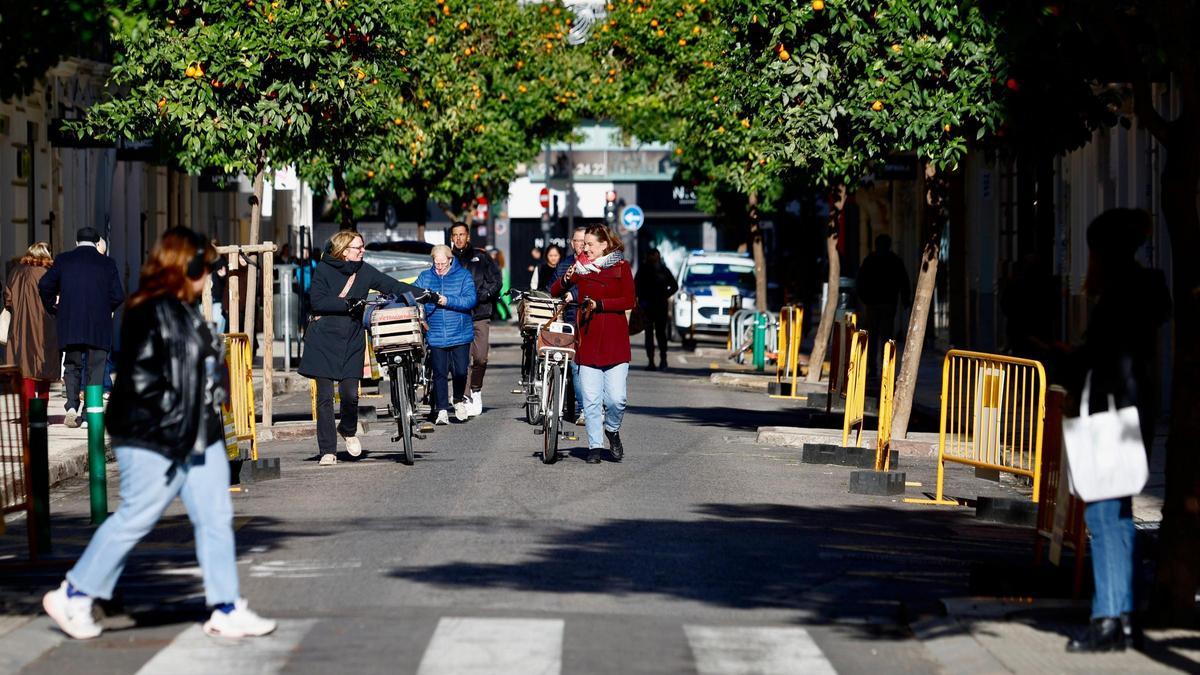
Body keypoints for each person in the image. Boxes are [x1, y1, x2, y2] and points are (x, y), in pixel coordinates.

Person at [42, 227, 276, 641]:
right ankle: (73, 594)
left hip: (198, 432)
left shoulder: (183, 310)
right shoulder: (148, 309)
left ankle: (226, 606)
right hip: (157, 435)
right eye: (205, 267)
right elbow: (148, 380)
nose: (211, 275)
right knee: (138, 515)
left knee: (216, 517)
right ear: (184, 266)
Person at [1064, 209, 1170, 654]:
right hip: (1135, 413)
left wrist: (1065, 359)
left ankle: (1107, 617)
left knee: (1104, 517)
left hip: (1110, 416)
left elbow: (1101, 358)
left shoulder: (1117, 296)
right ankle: (1124, 616)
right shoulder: (1145, 290)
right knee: (1120, 515)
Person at [298, 230, 427, 466]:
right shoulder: (324, 269)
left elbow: (391, 284)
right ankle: (328, 450)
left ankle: (347, 429)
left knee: (350, 395)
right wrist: (348, 304)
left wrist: (425, 295)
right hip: (323, 338)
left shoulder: (364, 270)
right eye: (359, 247)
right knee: (324, 398)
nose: (363, 250)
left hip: (352, 338)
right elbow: (317, 301)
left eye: (362, 246)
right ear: (344, 251)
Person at [551, 225, 636, 464]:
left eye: (589, 244)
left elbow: (629, 300)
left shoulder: (621, 267)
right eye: (582, 243)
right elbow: (556, 290)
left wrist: (601, 304)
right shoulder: (580, 267)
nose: (584, 248)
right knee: (590, 401)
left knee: (616, 399)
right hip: (588, 340)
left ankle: (612, 430)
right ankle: (595, 446)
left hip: (615, 342)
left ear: (604, 245)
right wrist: (567, 277)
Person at [38, 227, 125, 428]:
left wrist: (53, 306)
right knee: (96, 369)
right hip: (98, 326)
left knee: (72, 365)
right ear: (96, 243)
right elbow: (118, 295)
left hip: (71, 323)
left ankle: (71, 405)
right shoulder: (107, 263)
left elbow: (44, 285)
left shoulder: (63, 260)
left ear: (76, 242)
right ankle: (88, 414)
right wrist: (106, 309)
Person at [415, 245, 477, 425]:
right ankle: (442, 410)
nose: (439, 267)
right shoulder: (425, 276)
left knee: (461, 371)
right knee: (439, 373)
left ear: (450, 260)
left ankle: (458, 399)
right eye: (436, 264)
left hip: (460, 332)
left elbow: (470, 300)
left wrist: (446, 300)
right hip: (435, 332)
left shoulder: (463, 275)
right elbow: (412, 293)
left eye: (443, 263)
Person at [449, 222, 501, 418]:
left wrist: (483, 295)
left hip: (480, 313)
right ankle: (464, 396)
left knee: (480, 357)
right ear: (451, 238)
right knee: (461, 359)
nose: (459, 238)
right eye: (455, 235)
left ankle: (476, 389)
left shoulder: (482, 257)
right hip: (457, 315)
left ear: (468, 236)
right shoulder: (448, 258)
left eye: (462, 234)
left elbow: (496, 280)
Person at [4, 242, 60, 404]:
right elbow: (55, 299)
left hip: (19, 327)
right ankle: (40, 412)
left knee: (24, 369)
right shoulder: (47, 272)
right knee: (44, 369)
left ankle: (27, 411)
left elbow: (8, 299)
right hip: (44, 325)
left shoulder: (15, 272)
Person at [855, 234, 910, 379]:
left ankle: (873, 368)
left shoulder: (871, 260)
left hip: (875, 304)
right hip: (887, 303)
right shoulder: (894, 260)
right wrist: (905, 300)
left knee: (873, 337)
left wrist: (865, 299)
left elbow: (860, 281)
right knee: (885, 337)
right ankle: (884, 368)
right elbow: (904, 282)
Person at [551, 227, 588, 425]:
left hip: (590, 319)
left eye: (584, 241)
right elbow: (552, 289)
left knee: (587, 367)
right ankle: (582, 408)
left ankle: (590, 406)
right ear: (572, 243)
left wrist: (574, 294)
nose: (581, 244)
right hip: (570, 321)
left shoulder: (594, 263)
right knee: (574, 366)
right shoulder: (564, 264)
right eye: (577, 241)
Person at [634, 247, 678, 371]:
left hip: (659, 306)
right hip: (648, 307)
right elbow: (635, 286)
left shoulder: (663, 270)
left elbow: (674, 286)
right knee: (650, 335)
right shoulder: (644, 270)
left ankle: (662, 360)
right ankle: (652, 361)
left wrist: (664, 295)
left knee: (660, 334)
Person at [491, 248, 512, 322]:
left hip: (495, 285)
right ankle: (497, 315)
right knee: (494, 301)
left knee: (497, 300)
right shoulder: (497, 263)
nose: (491, 255)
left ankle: (506, 314)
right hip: (495, 285)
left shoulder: (495, 263)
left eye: (493, 254)